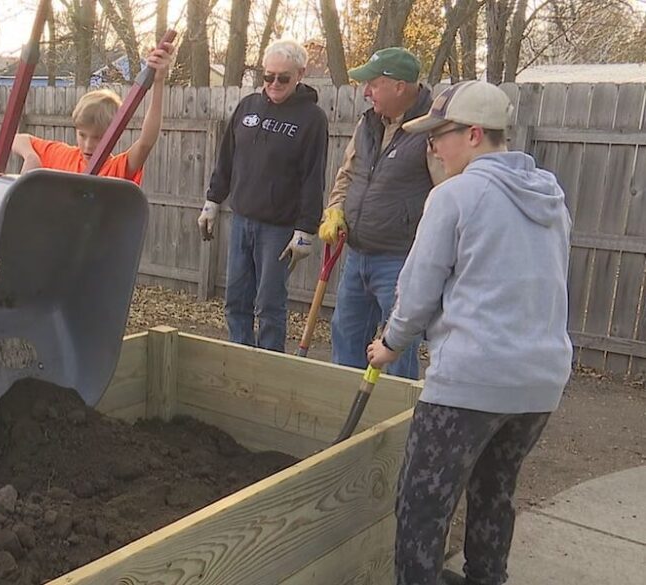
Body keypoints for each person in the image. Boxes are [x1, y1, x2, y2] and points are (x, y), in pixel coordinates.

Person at [366, 80, 573, 585]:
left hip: (471, 380)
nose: (432, 147)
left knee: (421, 505)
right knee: (493, 492)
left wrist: (390, 344)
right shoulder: (550, 198)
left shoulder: (455, 196)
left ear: (475, 134)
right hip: (539, 383)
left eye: (440, 135)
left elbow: (418, 288)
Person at [318, 47, 445, 379]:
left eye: (373, 84)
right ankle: (345, 416)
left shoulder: (431, 129)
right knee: (346, 335)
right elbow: (347, 173)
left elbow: (447, 193)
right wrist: (334, 210)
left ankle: (394, 422)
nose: (366, 91)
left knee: (396, 350)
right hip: (358, 253)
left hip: (400, 260)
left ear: (399, 86)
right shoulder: (369, 123)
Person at [197, 38, 329, 351]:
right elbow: (226, 160)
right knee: (236, 300)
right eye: (267, 76)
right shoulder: (247, 107)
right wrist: (212, 202)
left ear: (300, 73)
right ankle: (240, 357)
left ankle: (270, 366)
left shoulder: (312, 118)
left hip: (279, 228)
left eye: (283, 77)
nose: (274, 84)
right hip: (242, 220)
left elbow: (314, 177)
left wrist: (306, 230)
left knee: (270, 305)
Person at [11, 41, 175, 185]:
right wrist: (31, 157)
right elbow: (16, 139)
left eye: (97, 138)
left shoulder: (117, 169)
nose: (88, 145)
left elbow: (146, 142)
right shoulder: (63, 156)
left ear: (112, 136)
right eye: (82, 135)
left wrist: (159, 81)